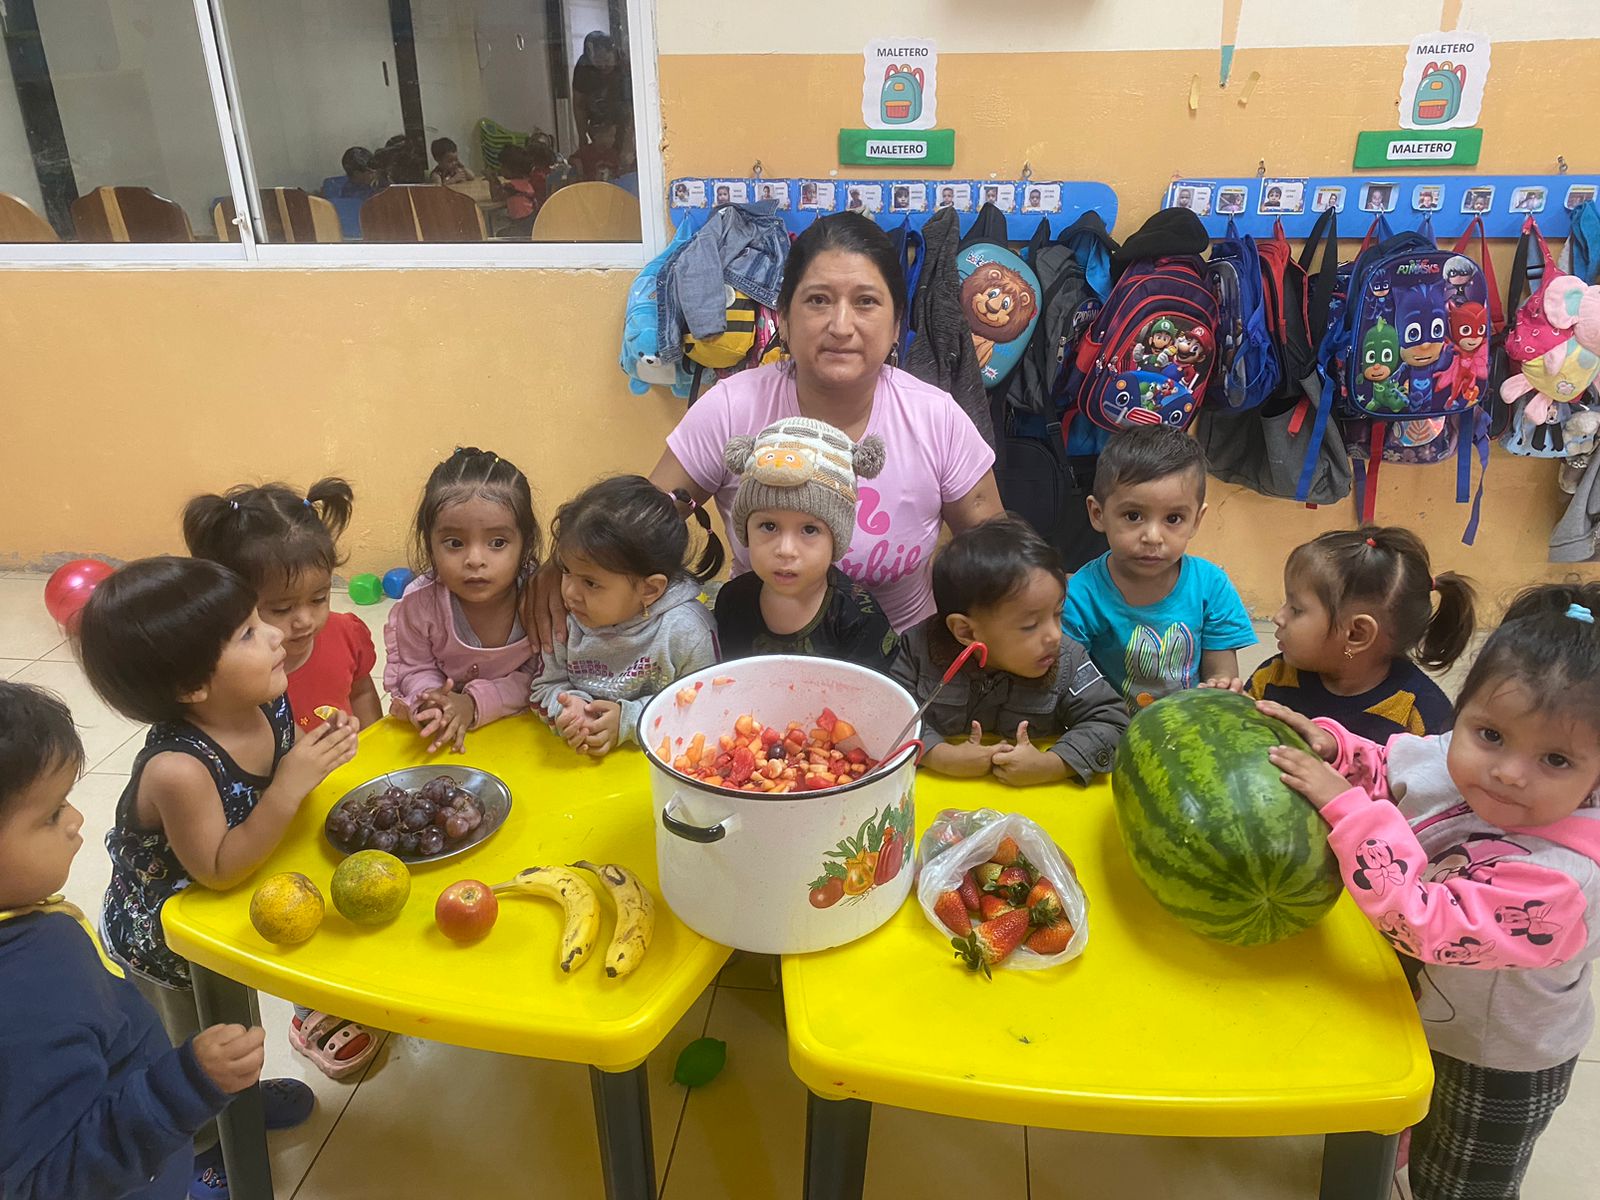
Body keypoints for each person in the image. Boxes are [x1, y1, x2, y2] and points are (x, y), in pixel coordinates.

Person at [526, 213, 1000, 652]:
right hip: (756, 655)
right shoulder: (732, 409)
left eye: (866, 302)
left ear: (896, 325)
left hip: (900, 664)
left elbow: (996, 553)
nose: (841, 326)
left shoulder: (936, 418)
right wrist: (569, 564)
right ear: (785, 320)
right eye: (818, 300)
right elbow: (644, 524)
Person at [1264, 582, 1600, 1200]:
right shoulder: (1454, 756)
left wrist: (1346, 810)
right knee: (1410, 1125)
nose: (1508, 772)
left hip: (1493, 1064)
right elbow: (1392, 767)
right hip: (1428, 1017)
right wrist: (1336, 748)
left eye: (1556, 760)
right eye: (1490, 735)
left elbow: (1425, 922)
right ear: (1462, 713)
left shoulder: (1563, 878)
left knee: (1456, 1185)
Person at [78, 558, 358, 1196]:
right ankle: (202, 1144)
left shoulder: (265, 699)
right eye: (250, 633)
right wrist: (289, 786)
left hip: (226, 918)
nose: (277, 635)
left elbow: (268, 796)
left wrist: (317, 751)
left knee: (236, 1030)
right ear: (190, 685)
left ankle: (241, 1102)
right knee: (194, 1052)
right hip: (169, 941)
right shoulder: (178, 768)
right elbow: (220, 868)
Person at [0, 681, 260, 1200]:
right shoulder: (26, 999)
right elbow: (49, 1180)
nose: (75, 819)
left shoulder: (26, 925)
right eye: (50, 815)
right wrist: (184, 1089)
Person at [182, 479, 381, 1079]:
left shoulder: (343, 633)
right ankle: (309, 1002)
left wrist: (372, 749)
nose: (301, 622)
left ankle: (364, 972)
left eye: (318, 598)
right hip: (261, 824)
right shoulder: (235, 679)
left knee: (359, 887)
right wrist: (291, 778)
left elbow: (360, 690)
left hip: (332, 797)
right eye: (277, 609)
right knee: (292, 903)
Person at [891, 516, 1128, 785]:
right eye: (1030, 626)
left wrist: (1053, 764)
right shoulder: (919, 651)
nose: (1054, 635)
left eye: (1058, 614)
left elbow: (1113, 723)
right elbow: (888, 715)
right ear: (966, 631)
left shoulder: (1066, 659)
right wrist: (940, 756)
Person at [1207, 527, 1474, 742]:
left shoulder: (1420, 715)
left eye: (1296, 609)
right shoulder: (1273, 678)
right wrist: (1227, 709)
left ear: (1356, 634)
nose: (1278, 617)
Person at [1063, 427, 1255, 711]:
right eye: (1133, 516)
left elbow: (1221, 677)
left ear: (1196, 521)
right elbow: (1072, 688)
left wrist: (1221, 688)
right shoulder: (1081, 596)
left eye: (1173, 518)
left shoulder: (1211, 586)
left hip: (1191, 723)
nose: (1153, 537)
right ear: (1098, 514)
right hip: (1106, 725)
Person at [530, 477, 721, 757]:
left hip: (657, 763)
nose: (569, 592)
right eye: (566, 571)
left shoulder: (688, 632)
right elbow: (545, 686)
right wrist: (570, 710)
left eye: (590, 583)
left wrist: (628, 721)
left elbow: (703, 706)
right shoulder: (568, 617)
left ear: (650, 589)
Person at [385, 447, 541, 754]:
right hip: (447, 741)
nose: (475, 559)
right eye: (455, 543)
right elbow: (415, 668)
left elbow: (541, 675)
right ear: (430, 545)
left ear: (525, 544)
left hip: (527, 734)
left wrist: (473, 703)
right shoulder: (420, 605)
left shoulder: (539, 601)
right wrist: (433, 701)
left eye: (497, 542)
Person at [715, 417, 897, 671]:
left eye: (810, 530)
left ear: (836, 539)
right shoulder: (732, 601)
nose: (786, 550)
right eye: (769, 526)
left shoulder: (859, 619)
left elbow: (875, 691)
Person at [572, 31, 630, 142]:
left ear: (613, 52)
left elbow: (633, 105)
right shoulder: (583, 68)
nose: (603, 66)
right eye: (597, 62)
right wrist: (582, 136)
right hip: (598, 122)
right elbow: (579, 105)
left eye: (606, 60)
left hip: (623, 118)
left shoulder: (625, 63)